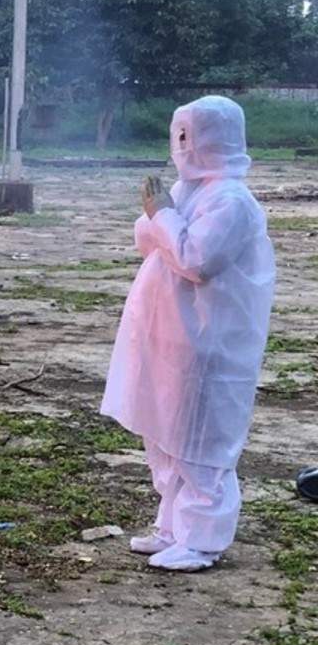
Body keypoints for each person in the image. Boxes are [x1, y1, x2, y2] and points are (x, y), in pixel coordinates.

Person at [101, 95, 275, 572]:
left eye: (186, 136)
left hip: (209, 345)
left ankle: (203, 539)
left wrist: (162, 215)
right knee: (167, 436)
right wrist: (161, 212)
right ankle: (174, 527)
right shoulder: (192, 190)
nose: (179, 146)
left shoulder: (232, 200)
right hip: (172, 339)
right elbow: (147, 237)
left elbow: (196, 258)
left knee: (202, 443)